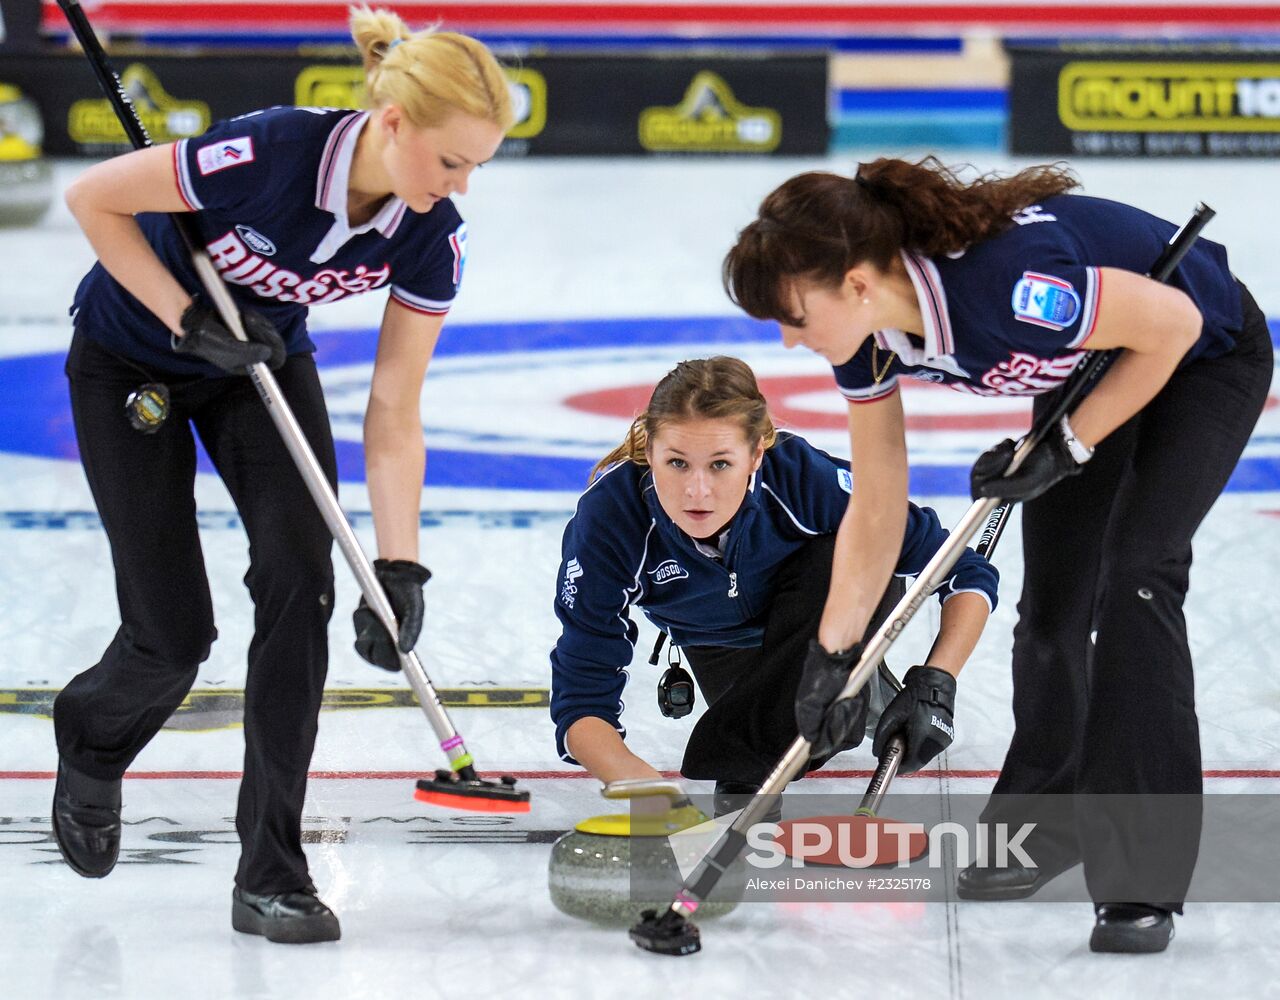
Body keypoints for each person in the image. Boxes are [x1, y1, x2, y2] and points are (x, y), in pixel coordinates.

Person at [722, 158, 1272, 953]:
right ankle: (1047, 828)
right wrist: (832, 656)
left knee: (1137, 581)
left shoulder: (1006, 290)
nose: (787, 338)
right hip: (1094, 363)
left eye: (793, 315)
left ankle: (1140, 879)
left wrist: (1071, 445)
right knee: (1054, 612)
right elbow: (876, 504)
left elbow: (1175, 328)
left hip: (1201, 358)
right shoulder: (868, 341)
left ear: (855, 285)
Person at [51, 6, 512, 944]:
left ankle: (272, 871)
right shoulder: (268, 153)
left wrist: (398, 566)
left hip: (257, 367)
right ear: (393, 123)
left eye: (477, 167)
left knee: (301, 587)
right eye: (452, 161)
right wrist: (187, 319)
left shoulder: (430, 236)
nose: (462, 184)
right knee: (173, 637)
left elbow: (394, 409)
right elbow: (95, 199)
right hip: (134, 358)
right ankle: (93, 743)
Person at [549, 356, 997, 816]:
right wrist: (644, 789)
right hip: (719, 646)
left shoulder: (801, 478)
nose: (696, 491)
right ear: (651, 453)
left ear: (756, 455)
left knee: (848, 548)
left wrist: (936, 683)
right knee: (783, 730)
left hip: (826, 612)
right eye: (677, 463)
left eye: (721, 464)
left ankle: (837, 686)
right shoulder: (612, 520)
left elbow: (962, 568)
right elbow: (582, 694)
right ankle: (850, 697)